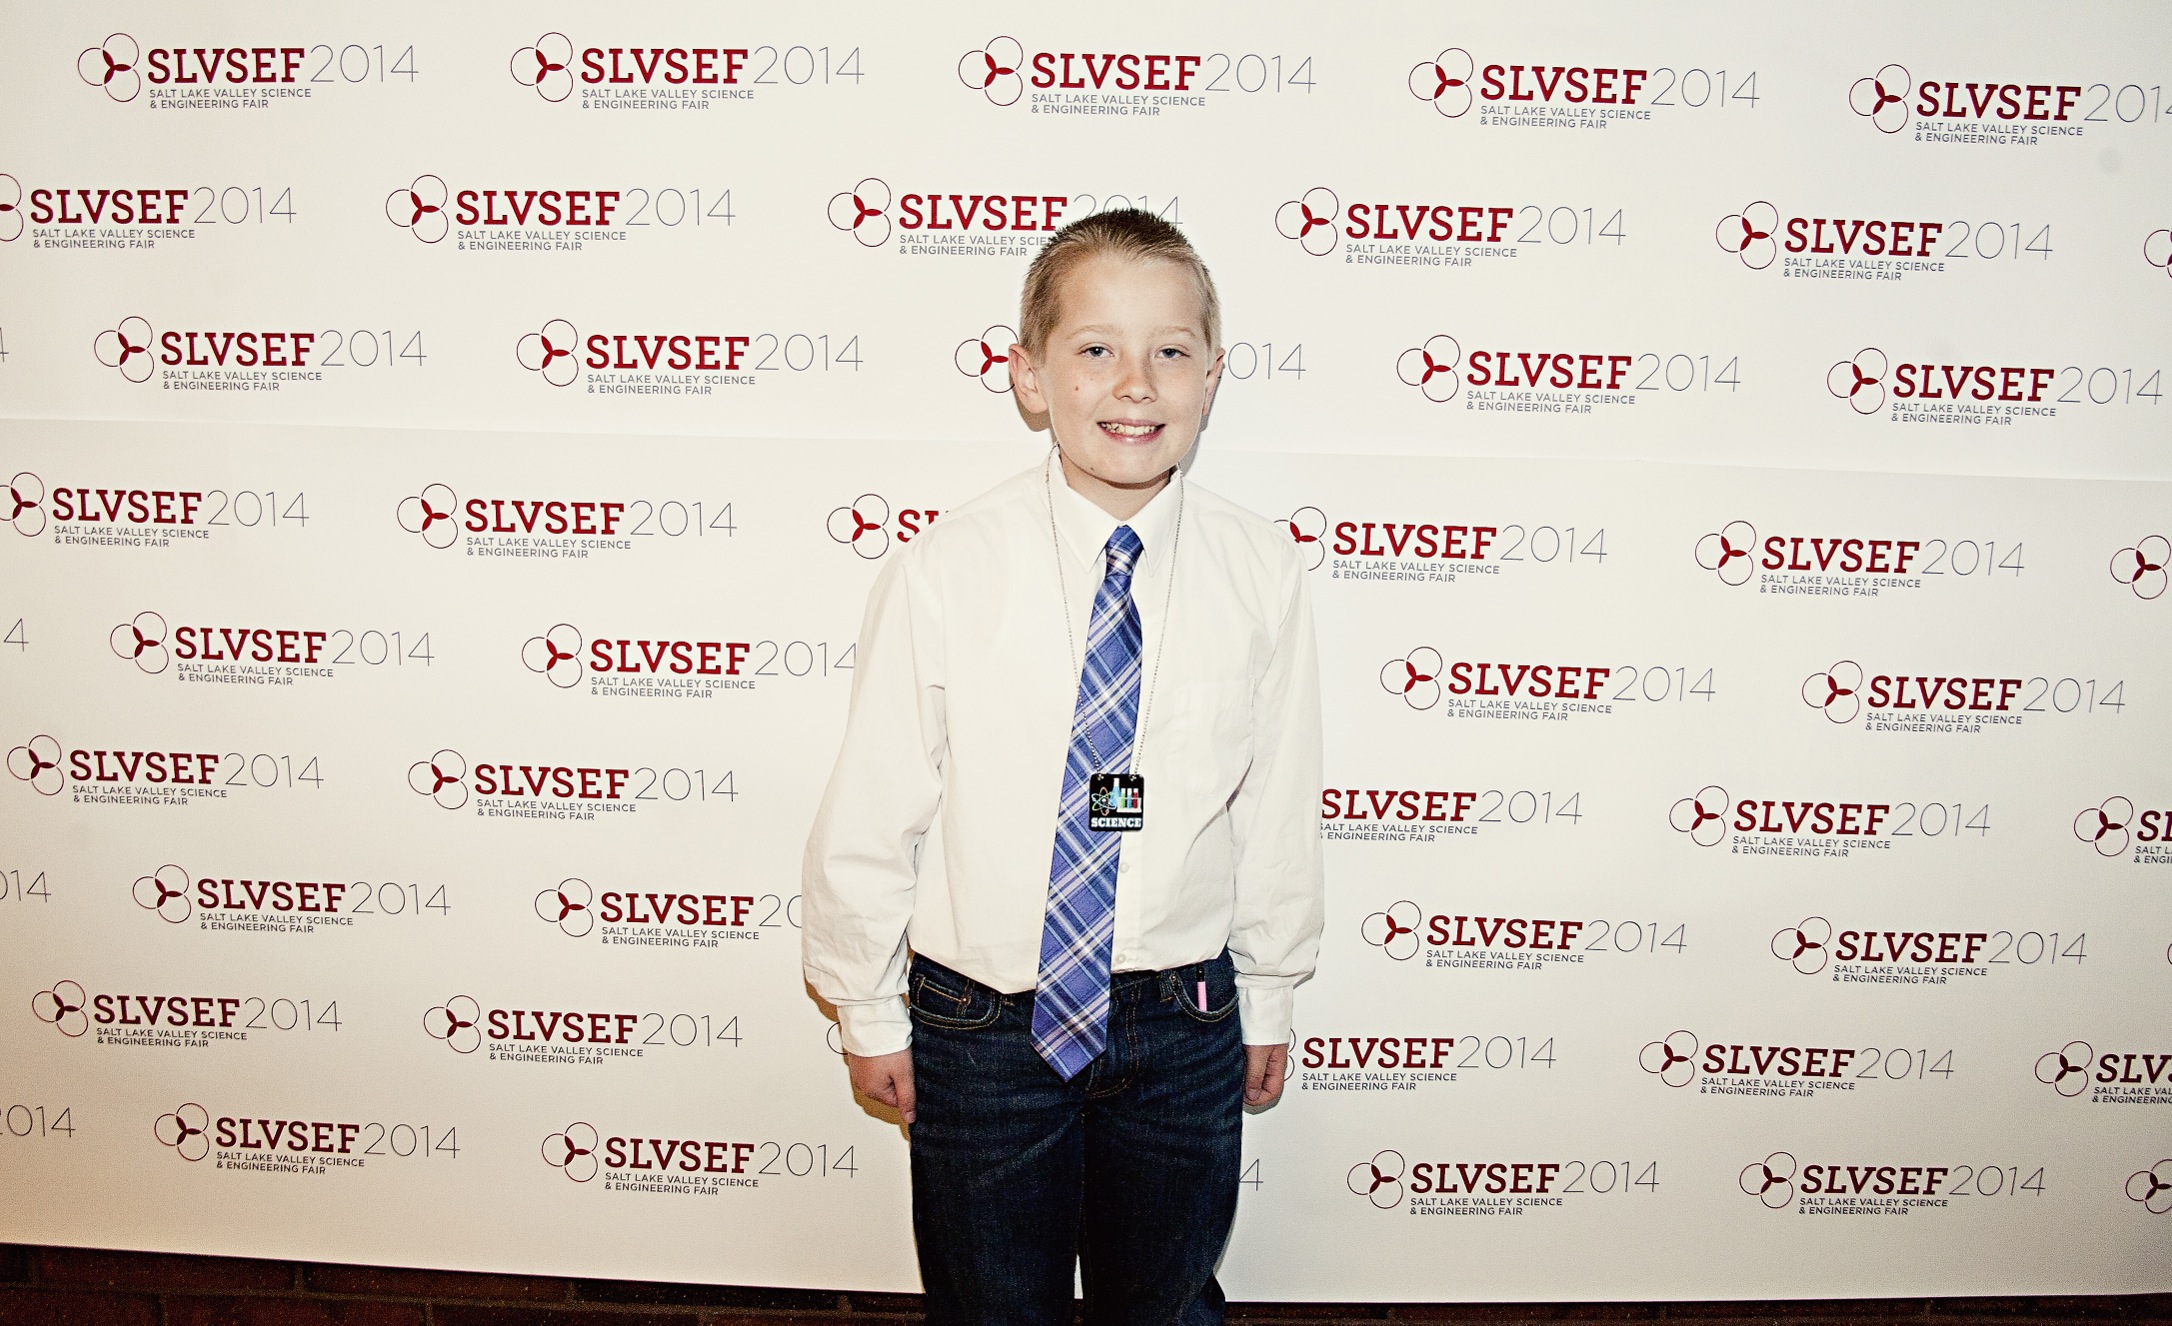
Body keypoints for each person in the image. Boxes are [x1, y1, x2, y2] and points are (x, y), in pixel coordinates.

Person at [801, 209, 1324, 1325]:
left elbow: (1276, 803)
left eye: (1170, 351)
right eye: (1095, 349)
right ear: (1030, 377)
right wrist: (868, 1007)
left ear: (1212, 377)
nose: (1135, 384)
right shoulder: (946, 570)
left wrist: (1271, 988)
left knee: (1162, 1307)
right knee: (992, 1308)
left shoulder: (1260, 569)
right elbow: (878, 805)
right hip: (982, 1030)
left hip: (1181, 1018)